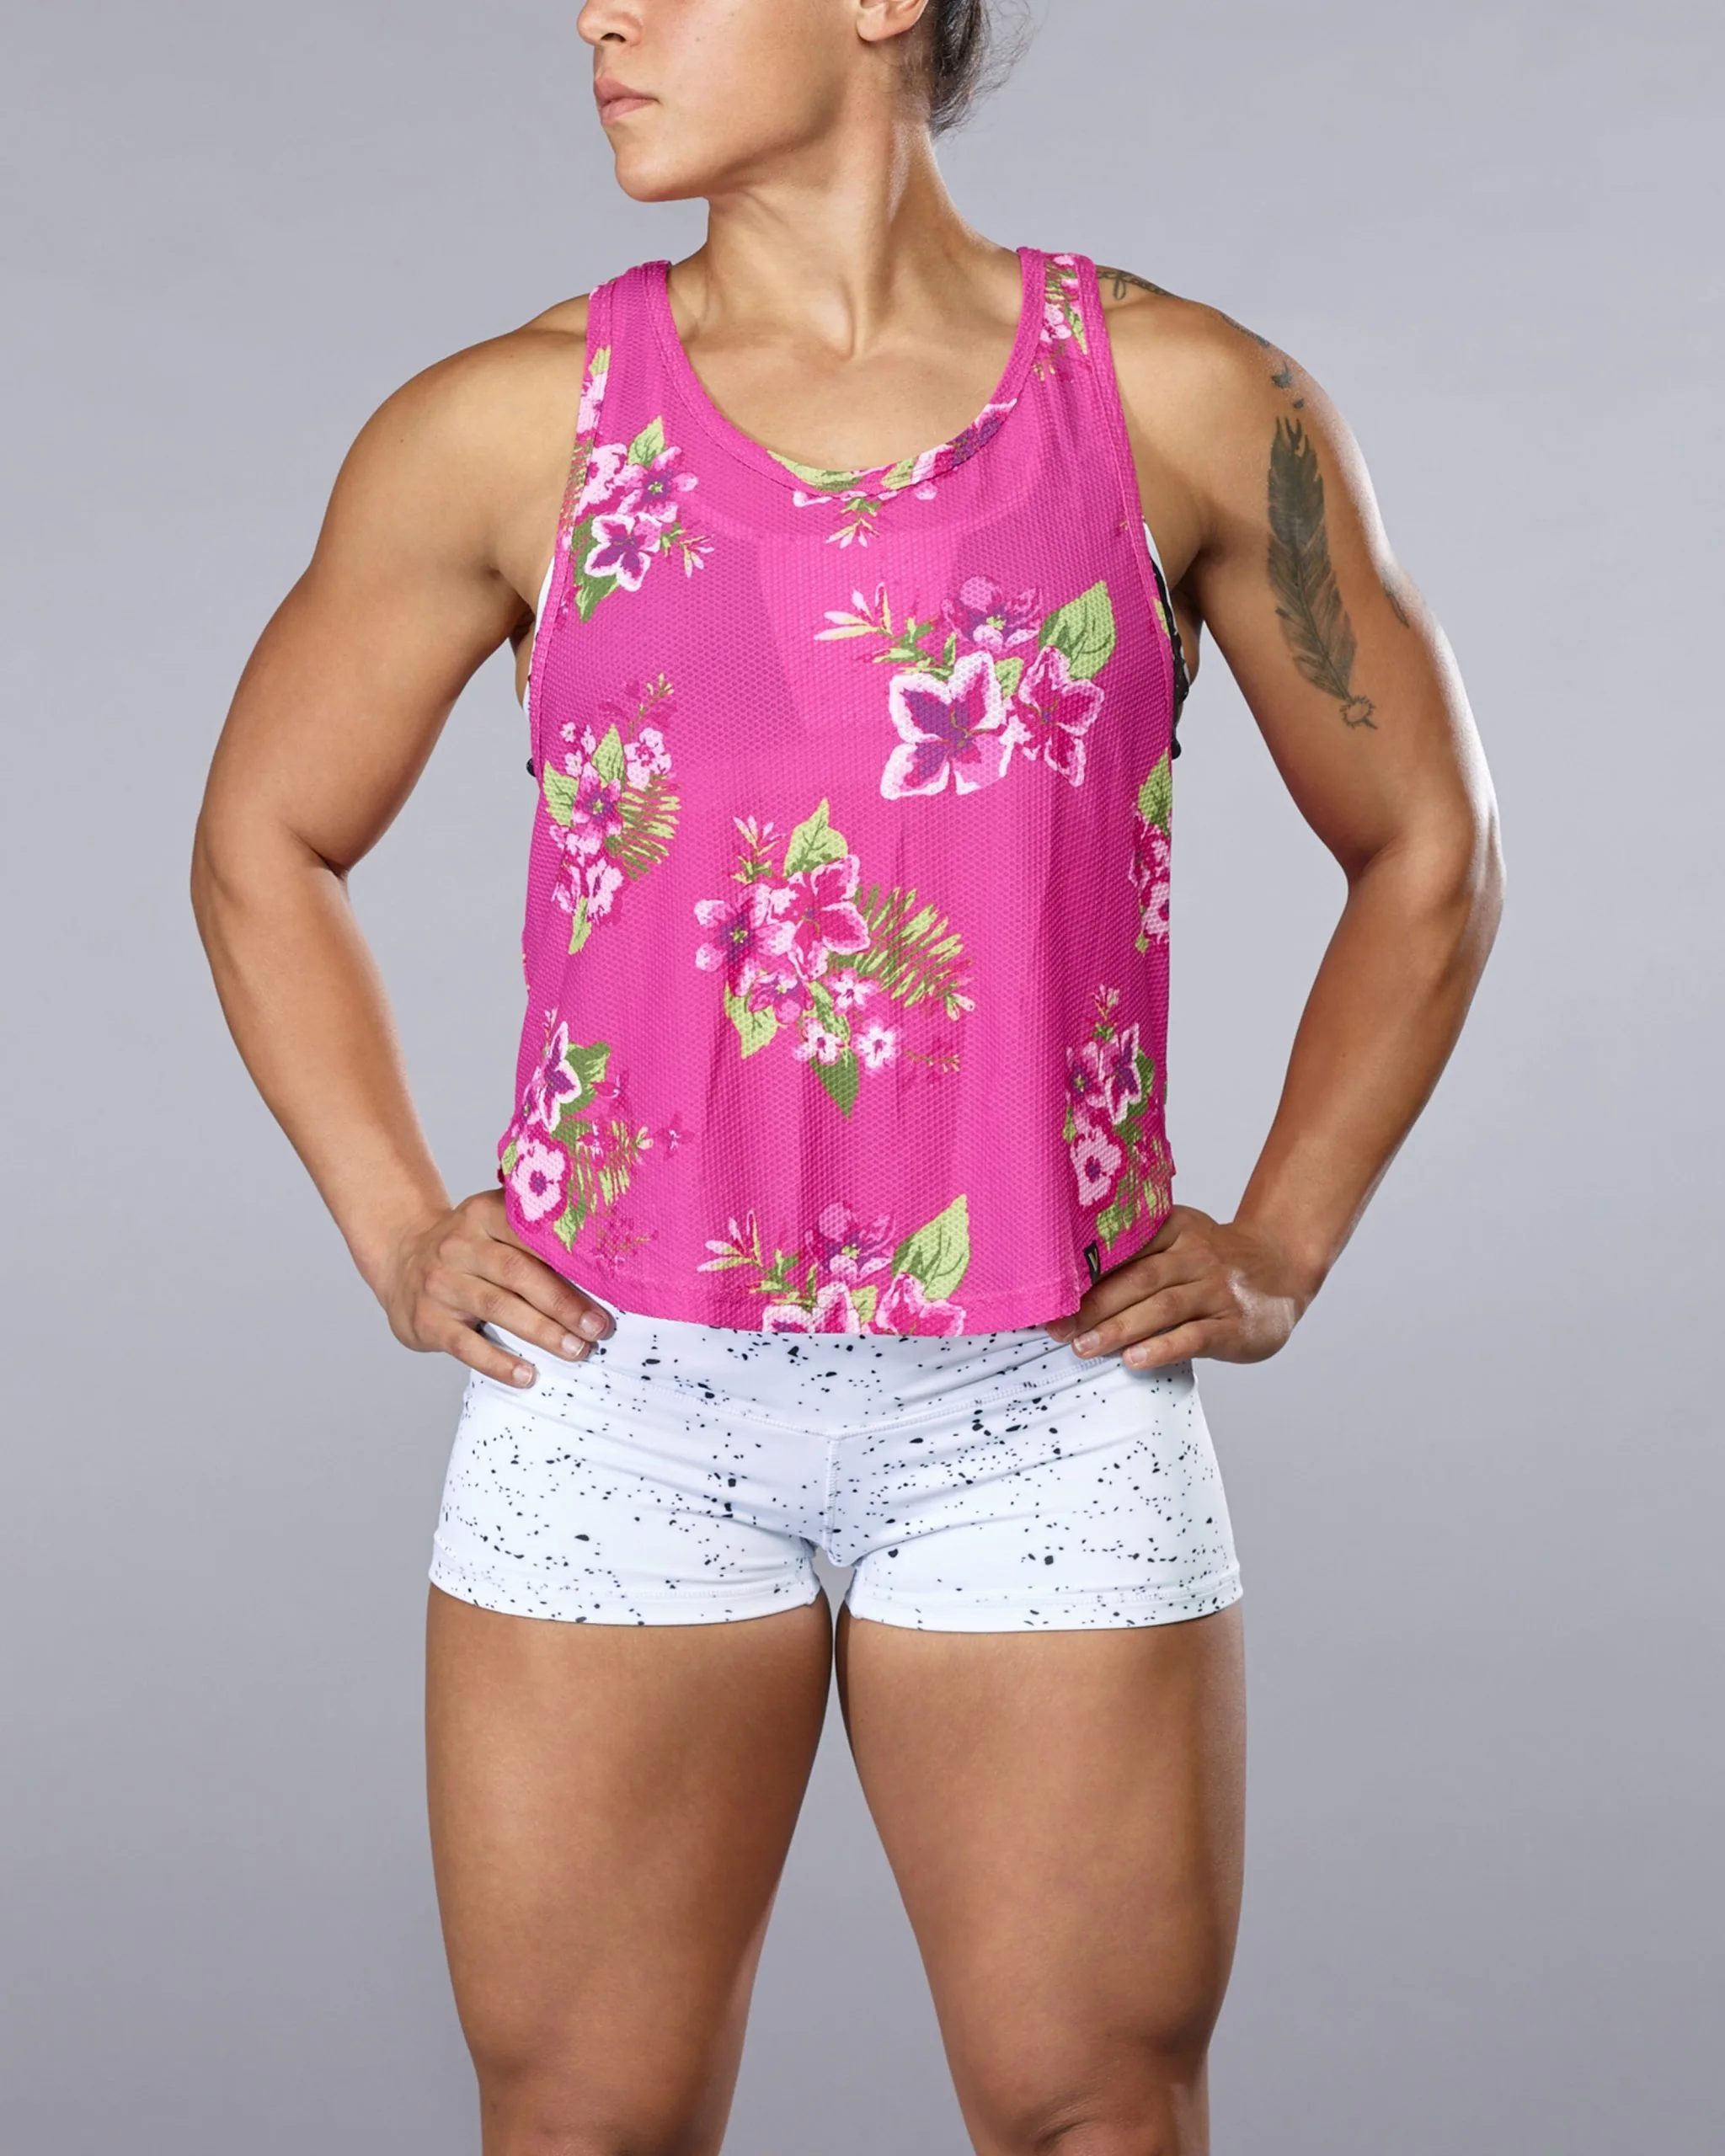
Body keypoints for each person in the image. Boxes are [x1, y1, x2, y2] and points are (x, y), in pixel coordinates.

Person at [190, 1, 1502, 2149]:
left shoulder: (1184, 403)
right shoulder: (508, 428)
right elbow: (262, 834)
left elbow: (1427, 843)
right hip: (617, 1394)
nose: (598, 15)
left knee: (1098, 2106)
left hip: (1039, 1405)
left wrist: (1282, 1240)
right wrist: (397, 1225)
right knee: (584, 2120)